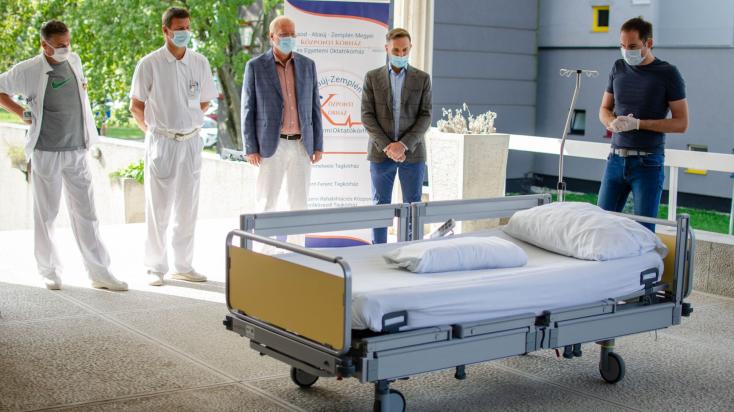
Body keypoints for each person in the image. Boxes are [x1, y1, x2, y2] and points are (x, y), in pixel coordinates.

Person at [0, 20, 127, 291]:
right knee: (46, 214)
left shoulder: (74, 61)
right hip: (46, 150)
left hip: (77, 149)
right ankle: (49, 271)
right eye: (59, 46)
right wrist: (22, 113)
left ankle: (100, 272)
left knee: (87, 213)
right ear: (44, 45)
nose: (65, 49)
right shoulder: (28, 69)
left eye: (67, 43)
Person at [130, 7, 218, 286]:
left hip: (191, 142)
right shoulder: (150, 64)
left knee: (187, 206)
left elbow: (205, 100)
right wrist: (154, 133)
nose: (185, 33)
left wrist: (188, 120)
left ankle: (183, 265)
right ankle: (155, 266)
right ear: (165, 31)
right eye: (179, 29)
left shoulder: (199, 62)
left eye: (187, 28)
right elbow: (136, 106)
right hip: (162, 141)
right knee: (159, 207)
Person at [598, 17, 688, 232]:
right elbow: (604, 108)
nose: (626, 51)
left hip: (647, 163)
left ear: (649, 43)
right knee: (599, 225)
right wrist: (611, 122)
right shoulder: (618, 67)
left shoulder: (668, 73)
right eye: (622, 45)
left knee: (644, 231)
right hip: (615, 160)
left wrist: (638, 124)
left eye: (632, 46)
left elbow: (681, 123)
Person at [241, 16, 323, 216]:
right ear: (272, 37)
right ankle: (264, 239)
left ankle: (297, 239)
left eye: (292, 34)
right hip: (271, 145)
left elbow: (315, 107)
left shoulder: (308, 65)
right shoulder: (255, 66)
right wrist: (250, 147)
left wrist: (318, 145)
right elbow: (248, 109)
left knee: (299, 205)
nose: (289, 38)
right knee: (266, 203)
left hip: (302, 144)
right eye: (284, 34)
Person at [361, 28, 432, 244]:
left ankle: (410, 250)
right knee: (380, 207)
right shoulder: (372, 77)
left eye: (404, 50)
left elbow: (426, 116)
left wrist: (403, 145)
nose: (400, 54)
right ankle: (378, 251)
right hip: (381, 153)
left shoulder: (422, 78)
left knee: (413, 206)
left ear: (410, 48)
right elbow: (367, 115)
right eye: (396, 50)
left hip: (413, 153)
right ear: (386, 49)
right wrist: (388, 146)